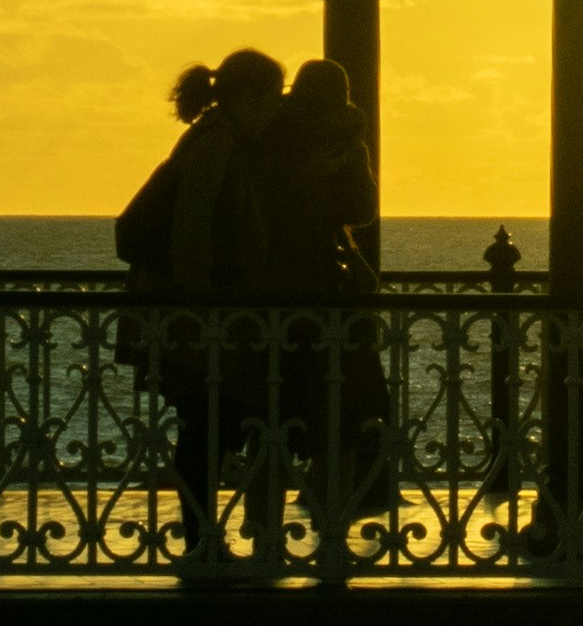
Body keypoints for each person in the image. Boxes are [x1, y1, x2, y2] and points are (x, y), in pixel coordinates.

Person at [112, 49, 286, 575]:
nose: (275, 111)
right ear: (248, 96)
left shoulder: (214, 136)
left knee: (207, 424)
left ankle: (203, 539)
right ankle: (200, 540)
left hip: (190, 311)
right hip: (193, 316)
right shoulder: (217, 142)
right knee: (205, 427)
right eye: (271, 98)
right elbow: (193, 225)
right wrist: (202, 301)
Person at [253, 57, 392, 578]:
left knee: (271, 418)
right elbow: (363, 208)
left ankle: (265, 534)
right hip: (328, 296)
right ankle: (332, 531)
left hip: (273, 294)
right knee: (340, 422)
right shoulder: (345, 135)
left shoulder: (271, 133)